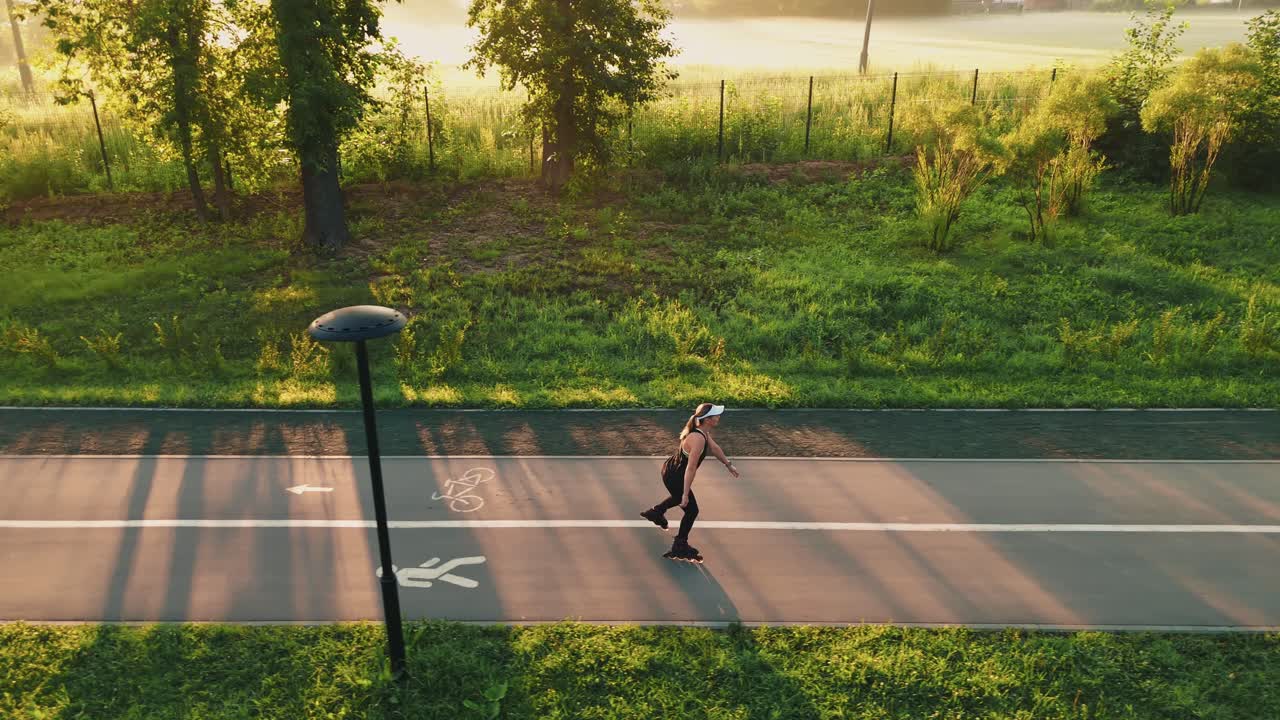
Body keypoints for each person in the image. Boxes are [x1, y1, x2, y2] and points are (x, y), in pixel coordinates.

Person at [640, 403, 739, 562]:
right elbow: (691, 468)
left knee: (681, 498)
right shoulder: (698, 438)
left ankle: (656, 512)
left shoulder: (703, 433)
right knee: (691, 510)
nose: (718, 417)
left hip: (671, 469)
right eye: (716, 415)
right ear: (707, 420)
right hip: (676, 475)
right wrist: (685, 494)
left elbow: (714, 448)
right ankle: (680, 545)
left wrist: (728, 465)